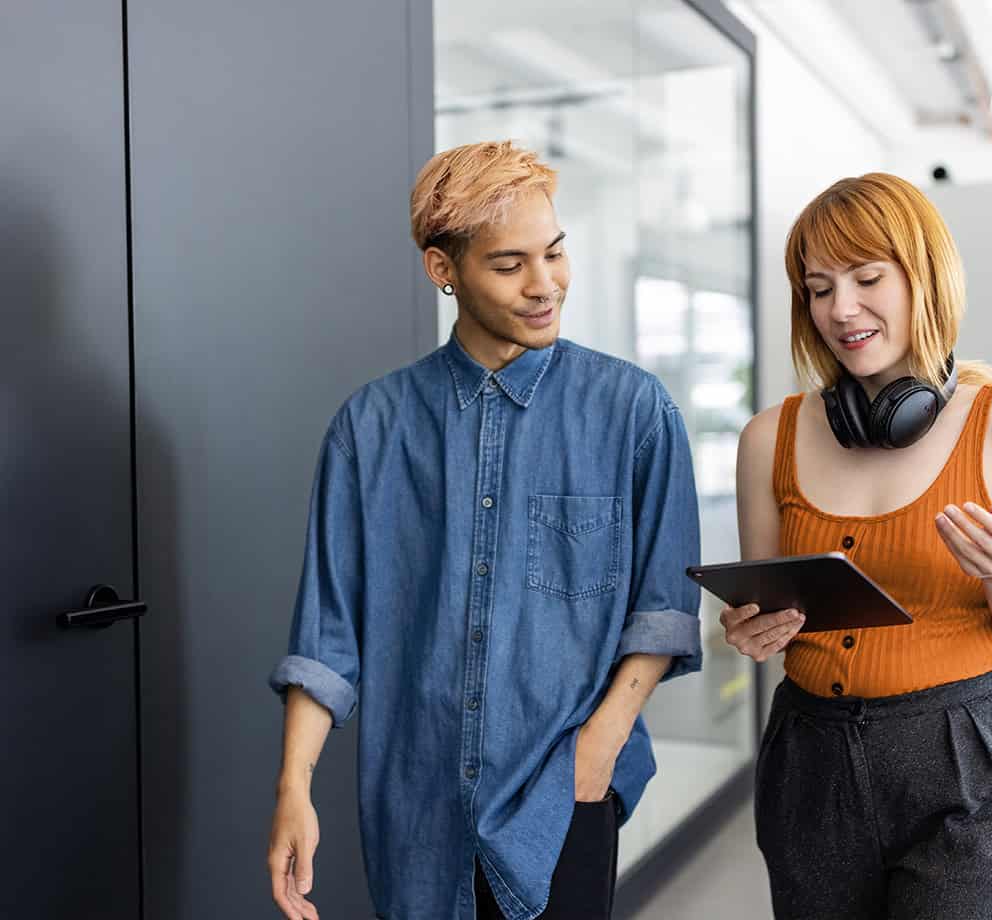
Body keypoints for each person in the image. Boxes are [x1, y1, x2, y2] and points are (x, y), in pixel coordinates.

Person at [265, 140, 703, 920]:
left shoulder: (634, 412)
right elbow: (328, 635)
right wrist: (294, 788)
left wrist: (598, 745)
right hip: (413, 801)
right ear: (444, 269)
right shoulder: (369, 428)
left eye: (556, 254)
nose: (545, 286)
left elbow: (662, 610)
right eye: (509, 265)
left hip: (562, 789)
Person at [723, 173, 992, 919]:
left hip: (960, 756)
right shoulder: (770, 438)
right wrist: (751, 628)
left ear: (924, 278)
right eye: (819, 288)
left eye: (866, 278)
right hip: (808, 755)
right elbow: (765, 604)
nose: (841, 309)